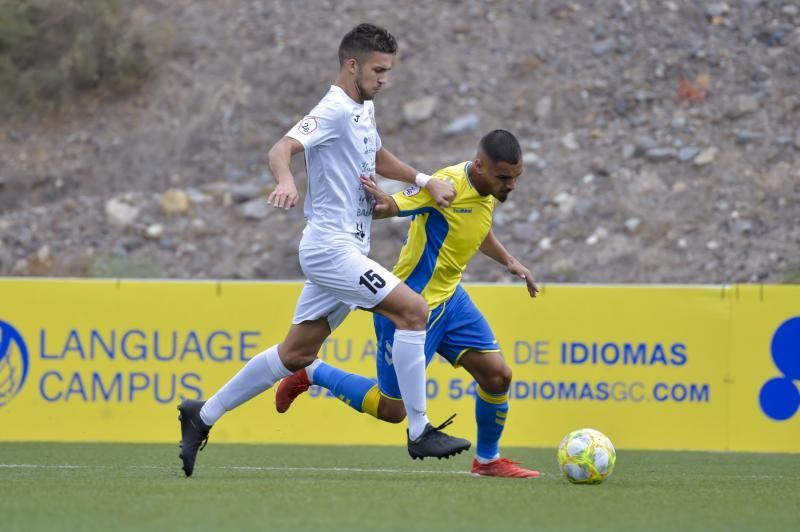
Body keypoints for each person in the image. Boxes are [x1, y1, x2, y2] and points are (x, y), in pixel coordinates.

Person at [177, 23, 471, 477]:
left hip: (347, 247)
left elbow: (376, 155)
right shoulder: (333, 108)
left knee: (296, 355)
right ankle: (419, 431)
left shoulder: (362, 108)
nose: (384, 79)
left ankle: (203, 414)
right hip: (330, 248)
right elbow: (283, 147)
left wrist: (423, 180)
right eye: (377, 70)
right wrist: (286, 179)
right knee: (413, 311)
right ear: (351, 65)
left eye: (388, 71)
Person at [275, 130, 542, 477]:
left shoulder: (488, 189)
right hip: (409, 308)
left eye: (516, 178)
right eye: (505, 178)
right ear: (479, 166)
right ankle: (311, 372)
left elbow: (477, 225)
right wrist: (380, 202)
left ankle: (488, 461)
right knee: (392, 410)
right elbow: (394, 206)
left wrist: (508, 260)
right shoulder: (445, 185)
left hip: (451, 300)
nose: (511, 186)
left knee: (497, 376)